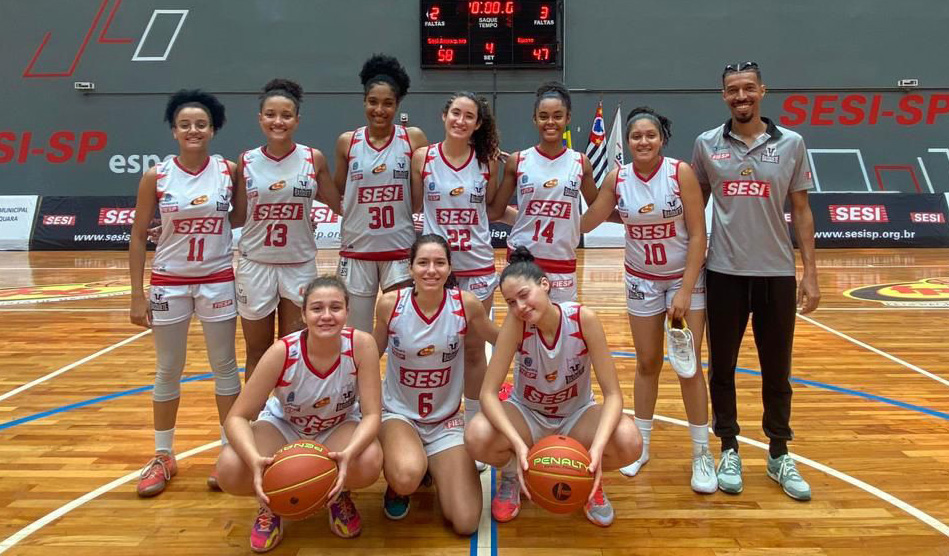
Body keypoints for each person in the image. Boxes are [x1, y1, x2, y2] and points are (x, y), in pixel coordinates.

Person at [691, 61, 820, 501]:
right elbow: (695, 210)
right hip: (724, 272)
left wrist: (811, 274)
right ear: (723, 95)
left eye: (748, 88)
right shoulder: (707, 145)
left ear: (762, 90)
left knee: (776, 370)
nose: (741, 96)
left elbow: (801, 210)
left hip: (777, 275)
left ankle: (779, 453)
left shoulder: (792, 144)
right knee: (722, 368)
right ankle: (728, 446)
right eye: (732, 90)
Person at [581, 106, 715, 493]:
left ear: (661, 139)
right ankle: (640, 445)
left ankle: (701, 453)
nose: (643, 141)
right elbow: (588, 220)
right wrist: (526, 220)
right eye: (636, 136)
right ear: (628, 142)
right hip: (641, 279)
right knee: (647, 362)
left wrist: (687, 289)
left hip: (681, 280)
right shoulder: (617, 178)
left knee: (688, 366)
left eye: (650, 136)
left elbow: (697, 236)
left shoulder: (680, 174)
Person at [464, 247, 642, 527]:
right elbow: (488, 393)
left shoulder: (584, 319)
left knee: (629, 441)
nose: (519, 307)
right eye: (511, 302)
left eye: (524, 295)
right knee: (476, 434)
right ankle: (512, 472)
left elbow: (613, 396)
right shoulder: (516, 324)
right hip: (528, 414)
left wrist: (596, 448)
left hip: (576, 415)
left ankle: (588, 479)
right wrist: (519, 445)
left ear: (545, 284)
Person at [215, 276, 383, 551]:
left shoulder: (361, 345)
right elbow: (237, 417)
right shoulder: (282, 352)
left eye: (335, 307)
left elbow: (372, 415)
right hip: (285, 426)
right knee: (230, 468)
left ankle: (338, 493)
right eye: (317, 308)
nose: (326, 316)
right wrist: (255, 460)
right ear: (303, 314)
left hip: (336, 427)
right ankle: (272, 503)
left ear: (347, 312)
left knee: (369, 459)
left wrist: (349, 454)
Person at [129, 89, 241, 497]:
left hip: (217, 278)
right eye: (185, 124)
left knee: (225, 367)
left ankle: (230, 451)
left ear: (213, 129)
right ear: (174, 131)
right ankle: (163, 455)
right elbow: (139, 236)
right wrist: (136, 295)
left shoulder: (229, 170)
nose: (193, 130)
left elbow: (243, 214)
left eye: (201, 124)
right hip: (169, 280)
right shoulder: (156, 176)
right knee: (168, 369)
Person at [372, 234, 499, 533]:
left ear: (450, 267)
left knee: (467, 522)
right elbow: (369, 354)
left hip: (446, 421)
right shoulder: (390, 305)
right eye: (423, 263)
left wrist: (541, 328)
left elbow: (501, 341)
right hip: (399, 415)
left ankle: (429, 465)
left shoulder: (466, 305)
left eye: (439, 263)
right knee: (406, 475)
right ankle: (400, 482)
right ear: (410, 268)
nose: (431, 270)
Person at [412, 91, 502, 470]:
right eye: (455, 113)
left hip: (478, 263)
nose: (460, 121)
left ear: (477, 124)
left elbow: (493, 209)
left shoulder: (488, 162)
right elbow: (416, 206)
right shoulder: (423, 158)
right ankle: (439, 422)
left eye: (469, 116)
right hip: (437, 268)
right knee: (435, 346)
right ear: (444, 115)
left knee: (472, 349)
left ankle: (474, 421)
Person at [231, 78, 340, 381]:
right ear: (260, 118)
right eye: (270, 114)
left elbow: (340, 205)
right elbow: (238, 215)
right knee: (258, 352)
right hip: (256, 265)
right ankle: (253, 420)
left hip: (298, 265)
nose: (278, 121)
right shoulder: (247, 161)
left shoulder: (312, 158)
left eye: (286, 115)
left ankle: (289, 418)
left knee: (294, 348)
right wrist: (183, 229)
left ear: (297, 120)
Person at [334, 54, 428, 332]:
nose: (379, 109)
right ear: (364, 102)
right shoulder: (347, 142)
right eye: (373, 102)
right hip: (357, 250)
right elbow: (336, 190)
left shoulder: (413, 139)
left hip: (399, 250)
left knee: (402, 333)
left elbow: (427, 186)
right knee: (356, 335)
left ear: (398, 105)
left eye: (388, 103)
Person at [490, 82, 598, 302]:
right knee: (522, 328)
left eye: (558, 116)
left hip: (562, 261)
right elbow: (495, 211)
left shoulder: (581, 162)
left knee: (560, 329)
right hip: (523, 259)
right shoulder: (517, 161)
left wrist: (633, 218)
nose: (550, 122)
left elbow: (599, 209)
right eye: (544, 116)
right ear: (535, 119)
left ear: (568, 119)